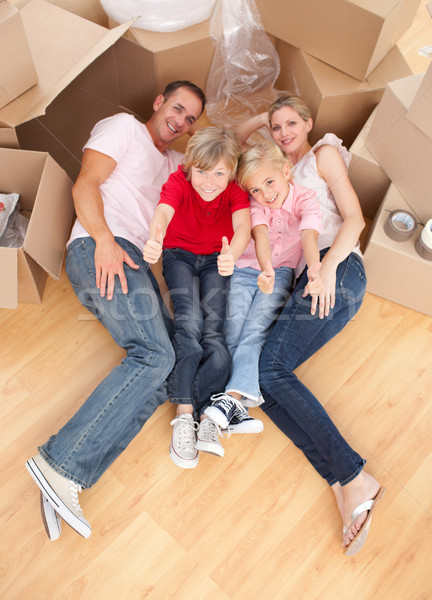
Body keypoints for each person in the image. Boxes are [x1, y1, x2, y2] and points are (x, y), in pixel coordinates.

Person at [25, 80, 206, 539]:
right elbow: (85, 184)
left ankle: (67, 480)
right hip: (101, 246)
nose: (181, 121)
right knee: (156, 355)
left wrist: (263, 121)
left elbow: (227, 153)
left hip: (135, 265)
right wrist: (103, 241)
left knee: (173, 368)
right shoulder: (124, 127)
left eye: (191, 119)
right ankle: (60, 463)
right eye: (178, 108)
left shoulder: (176, 165)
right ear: (158, 101)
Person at [236, 95, 384, 556]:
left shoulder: (321, 156)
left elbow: (356, 218)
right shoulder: (273, 174)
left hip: (339, 270)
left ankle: (357, 477)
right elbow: (240, 142)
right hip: (308, 277)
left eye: (291, 124)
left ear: (309, 123)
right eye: (276, 127)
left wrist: (326, 269)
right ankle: (341, 482)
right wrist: (264, 117)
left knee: (270, 372)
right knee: (264, 377)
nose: (283, 132)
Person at [143, 126, 258, 469]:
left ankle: (208, 414)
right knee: (189, 324)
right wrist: (155, 238)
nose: (209, 182)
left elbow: (242, 230)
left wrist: (232, 255)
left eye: (219, 174)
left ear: (232, 173)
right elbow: (162, 213)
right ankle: (184, 413)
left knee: (216, 337)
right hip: (178, 254)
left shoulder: (236, 192)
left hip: (216, 260)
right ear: (189, 167)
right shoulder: (178, 182)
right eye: (202, 172)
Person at [206, 141, 322, 432]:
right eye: (255, 189)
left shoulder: (306, 198)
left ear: (286, 171)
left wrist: (315, 269)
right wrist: (264, 268)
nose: (265, 194)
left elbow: (309, 237)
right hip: (248, 270)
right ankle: (235, 410)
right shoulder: (255, 205)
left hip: (281, 273)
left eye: (269, 182)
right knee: (231, 332)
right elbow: (261, 237)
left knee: (255, 333)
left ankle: (230, 400)